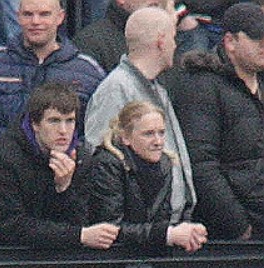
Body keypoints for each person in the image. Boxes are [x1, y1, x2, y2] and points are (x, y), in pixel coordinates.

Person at [0, 0, 104, 197]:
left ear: (60, 17)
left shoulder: (88, 72)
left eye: (44, 14)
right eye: (28, 14)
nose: (35, 21)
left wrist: (74, 182)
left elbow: (94, 139)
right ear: (18, 17)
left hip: (62, 194)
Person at [0, 81, 119, 249]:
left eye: (70, 121)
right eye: (54, 121)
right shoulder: (0, 158)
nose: (63, 131)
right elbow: (12, 226)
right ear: (35, 124)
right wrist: (78, 235)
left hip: (50, 255)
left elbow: (79, 220)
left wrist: (64, 189)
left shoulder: (80, 158)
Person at [85, 6, 197, 225]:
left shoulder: (159, 89)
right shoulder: (115, 90)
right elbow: (99, 164)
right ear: (161, 41)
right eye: (174, 38)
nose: (176, 45)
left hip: (165, 228)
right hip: (136, 238)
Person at [166, 2, 264, 238]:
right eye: (257, 39)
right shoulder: (201, 85)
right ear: (230, 42)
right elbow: (200, 164)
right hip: (231, 237)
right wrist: (240, 227)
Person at [89, 100, 208, 252]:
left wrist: (186, 232)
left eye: (162, 132)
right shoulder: (107, 164)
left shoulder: (165, 163)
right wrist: (169, 234)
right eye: (148, 134)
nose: (158, 142)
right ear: (126, 137)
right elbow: (109, 229)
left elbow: (159, 221)